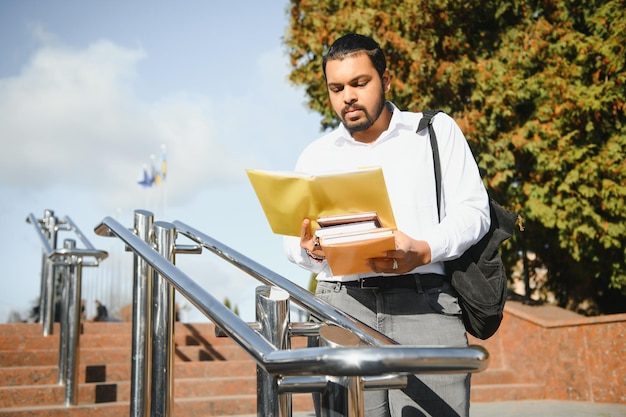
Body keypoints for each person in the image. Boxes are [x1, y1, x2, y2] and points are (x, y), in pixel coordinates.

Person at [284, 33, 491, 417]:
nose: (347, 96)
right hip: (342, 307)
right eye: (336, 87)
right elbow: (291, 239)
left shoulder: (433, 131)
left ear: (386, 80)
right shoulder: (315, 155)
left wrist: (424, 250)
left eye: (359, 83)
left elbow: (474, 211)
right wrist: (307, 249)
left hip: (426, 305)